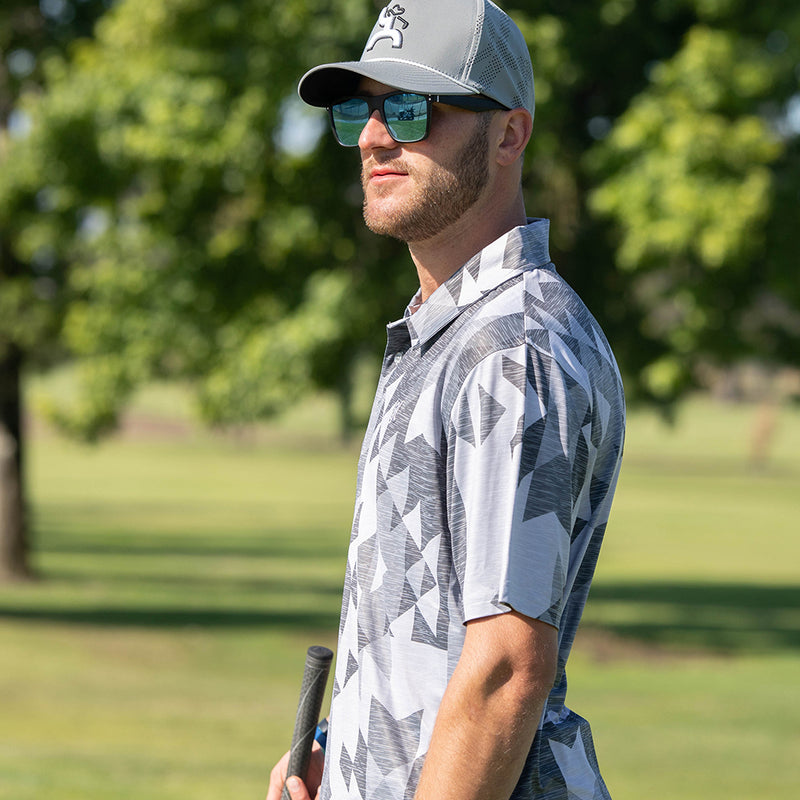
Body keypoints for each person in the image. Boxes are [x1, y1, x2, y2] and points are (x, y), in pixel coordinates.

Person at [267, 2, 625, 799]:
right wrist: (346, 750)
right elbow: (424, 634)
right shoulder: (447, 335)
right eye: (359, 109)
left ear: (509, 135)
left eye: (411, 108)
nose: (371, 136)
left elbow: (504, 668)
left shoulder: (512, 349)